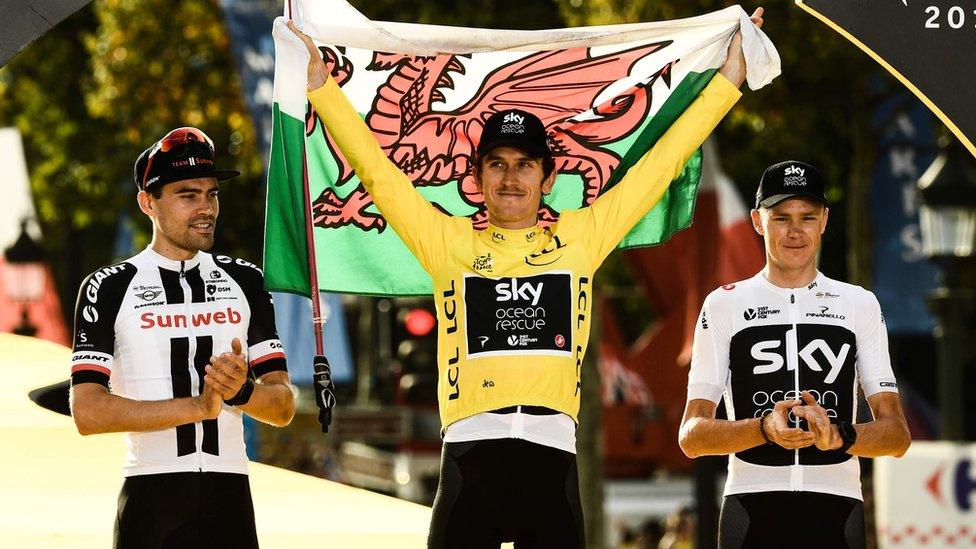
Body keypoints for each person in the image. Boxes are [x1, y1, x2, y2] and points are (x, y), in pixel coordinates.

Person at [290, 8, 763, 546]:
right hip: (469, 460)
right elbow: (376, 169)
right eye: (497, 163)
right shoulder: (447, 240)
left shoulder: (583, 236)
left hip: (553, 463)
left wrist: (728, 81)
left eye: (524, 164)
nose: (511, 176)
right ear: (478, 176)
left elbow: (663, 159)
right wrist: (321, 88)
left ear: (547, 174)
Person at [69, 127, 296, 548]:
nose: (205, 207)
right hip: (150, 498)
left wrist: (241, 393)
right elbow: (88, 412)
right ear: (147, 202)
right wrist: (198, 406)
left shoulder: (245, 280)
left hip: (230, 498)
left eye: (211, 194)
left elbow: (282, 407)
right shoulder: (109, 285)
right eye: (188, 195)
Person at [678, 160, 912, 548]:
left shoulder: (859, 304)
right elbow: (692, 435)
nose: (795, 231)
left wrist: (838, 436)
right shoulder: (723, 305)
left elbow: (897, 435)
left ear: (824, 221)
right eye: (781, 217)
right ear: (757, 221)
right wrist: (763, 429)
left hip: (837, 510)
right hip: (751, 509)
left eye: (807, 217)